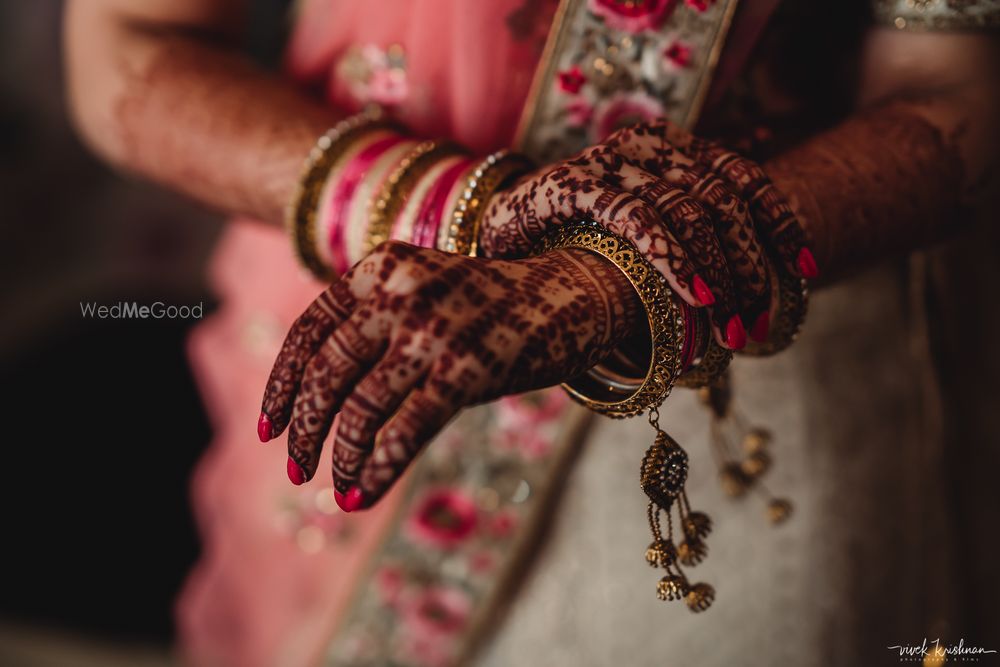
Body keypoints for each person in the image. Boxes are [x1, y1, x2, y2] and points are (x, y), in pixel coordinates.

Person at [65, 0, 1000, 665]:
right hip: (362, 319)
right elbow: (131, 41)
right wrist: (472, 223)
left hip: (765, 366)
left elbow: (950, 92)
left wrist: (599, 281)